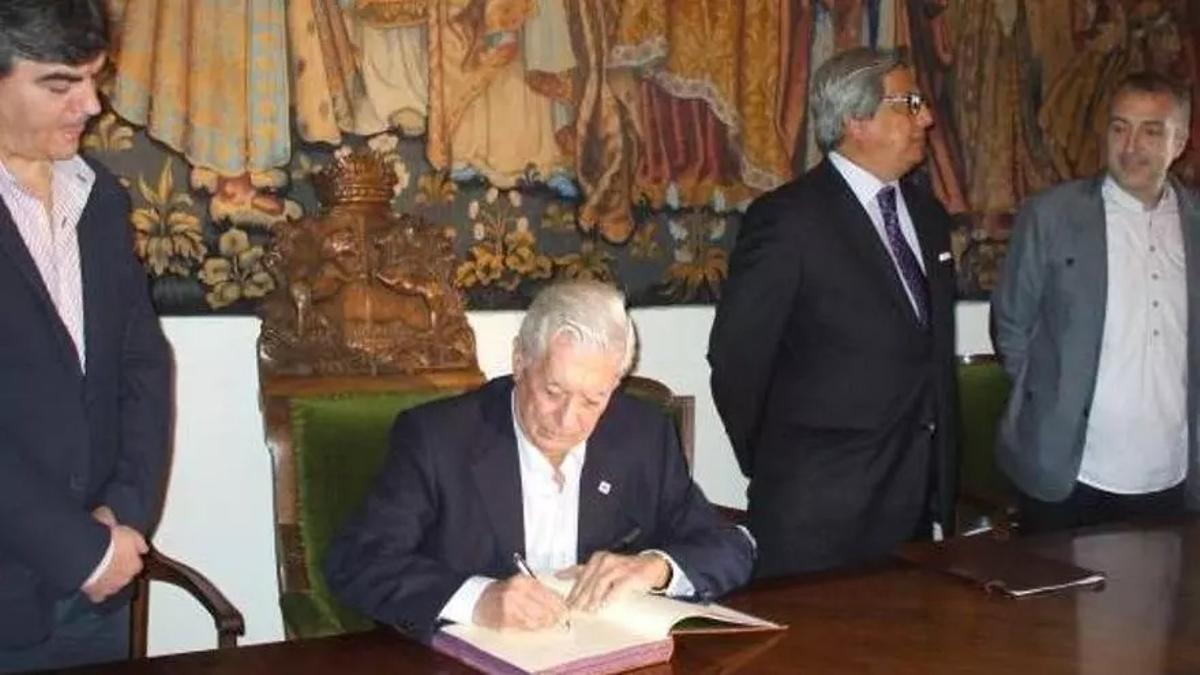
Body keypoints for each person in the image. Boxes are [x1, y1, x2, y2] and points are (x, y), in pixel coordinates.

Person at [325, 280, 753, 639]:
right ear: (519, 361)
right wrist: (477, 599)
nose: (569, 419)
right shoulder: (438, 439)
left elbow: (731, 546)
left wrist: (654, 568)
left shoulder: (642, 435)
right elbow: (358, 562)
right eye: (553, 391)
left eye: (593, 399)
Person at [708, 47, 958, 577]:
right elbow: (736, 359)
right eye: (909, 103)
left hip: (913, 507)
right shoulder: (787, 220)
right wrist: (779, 460)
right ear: (856, 120)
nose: (927, 117)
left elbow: (927, 359)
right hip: (816, 514)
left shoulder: (928, 217)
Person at [0, 1, 172, 671]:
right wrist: (78, 548)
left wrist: (119, 517)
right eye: (60, 82)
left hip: (98, 588)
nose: (91, 103)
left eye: (94, 77)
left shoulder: (102, 198)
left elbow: (143, 372)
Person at [992, 71, 1199, 534]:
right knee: (1057, 607)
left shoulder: (1195, 225)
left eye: (1151, 131)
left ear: (1180, 141)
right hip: (1067, 474)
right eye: (1119, 127)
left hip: (1171, 475)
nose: (1130, 147)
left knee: (1160, 605)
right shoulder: (1051, 216)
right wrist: (1050, 400)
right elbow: (1011, 324)